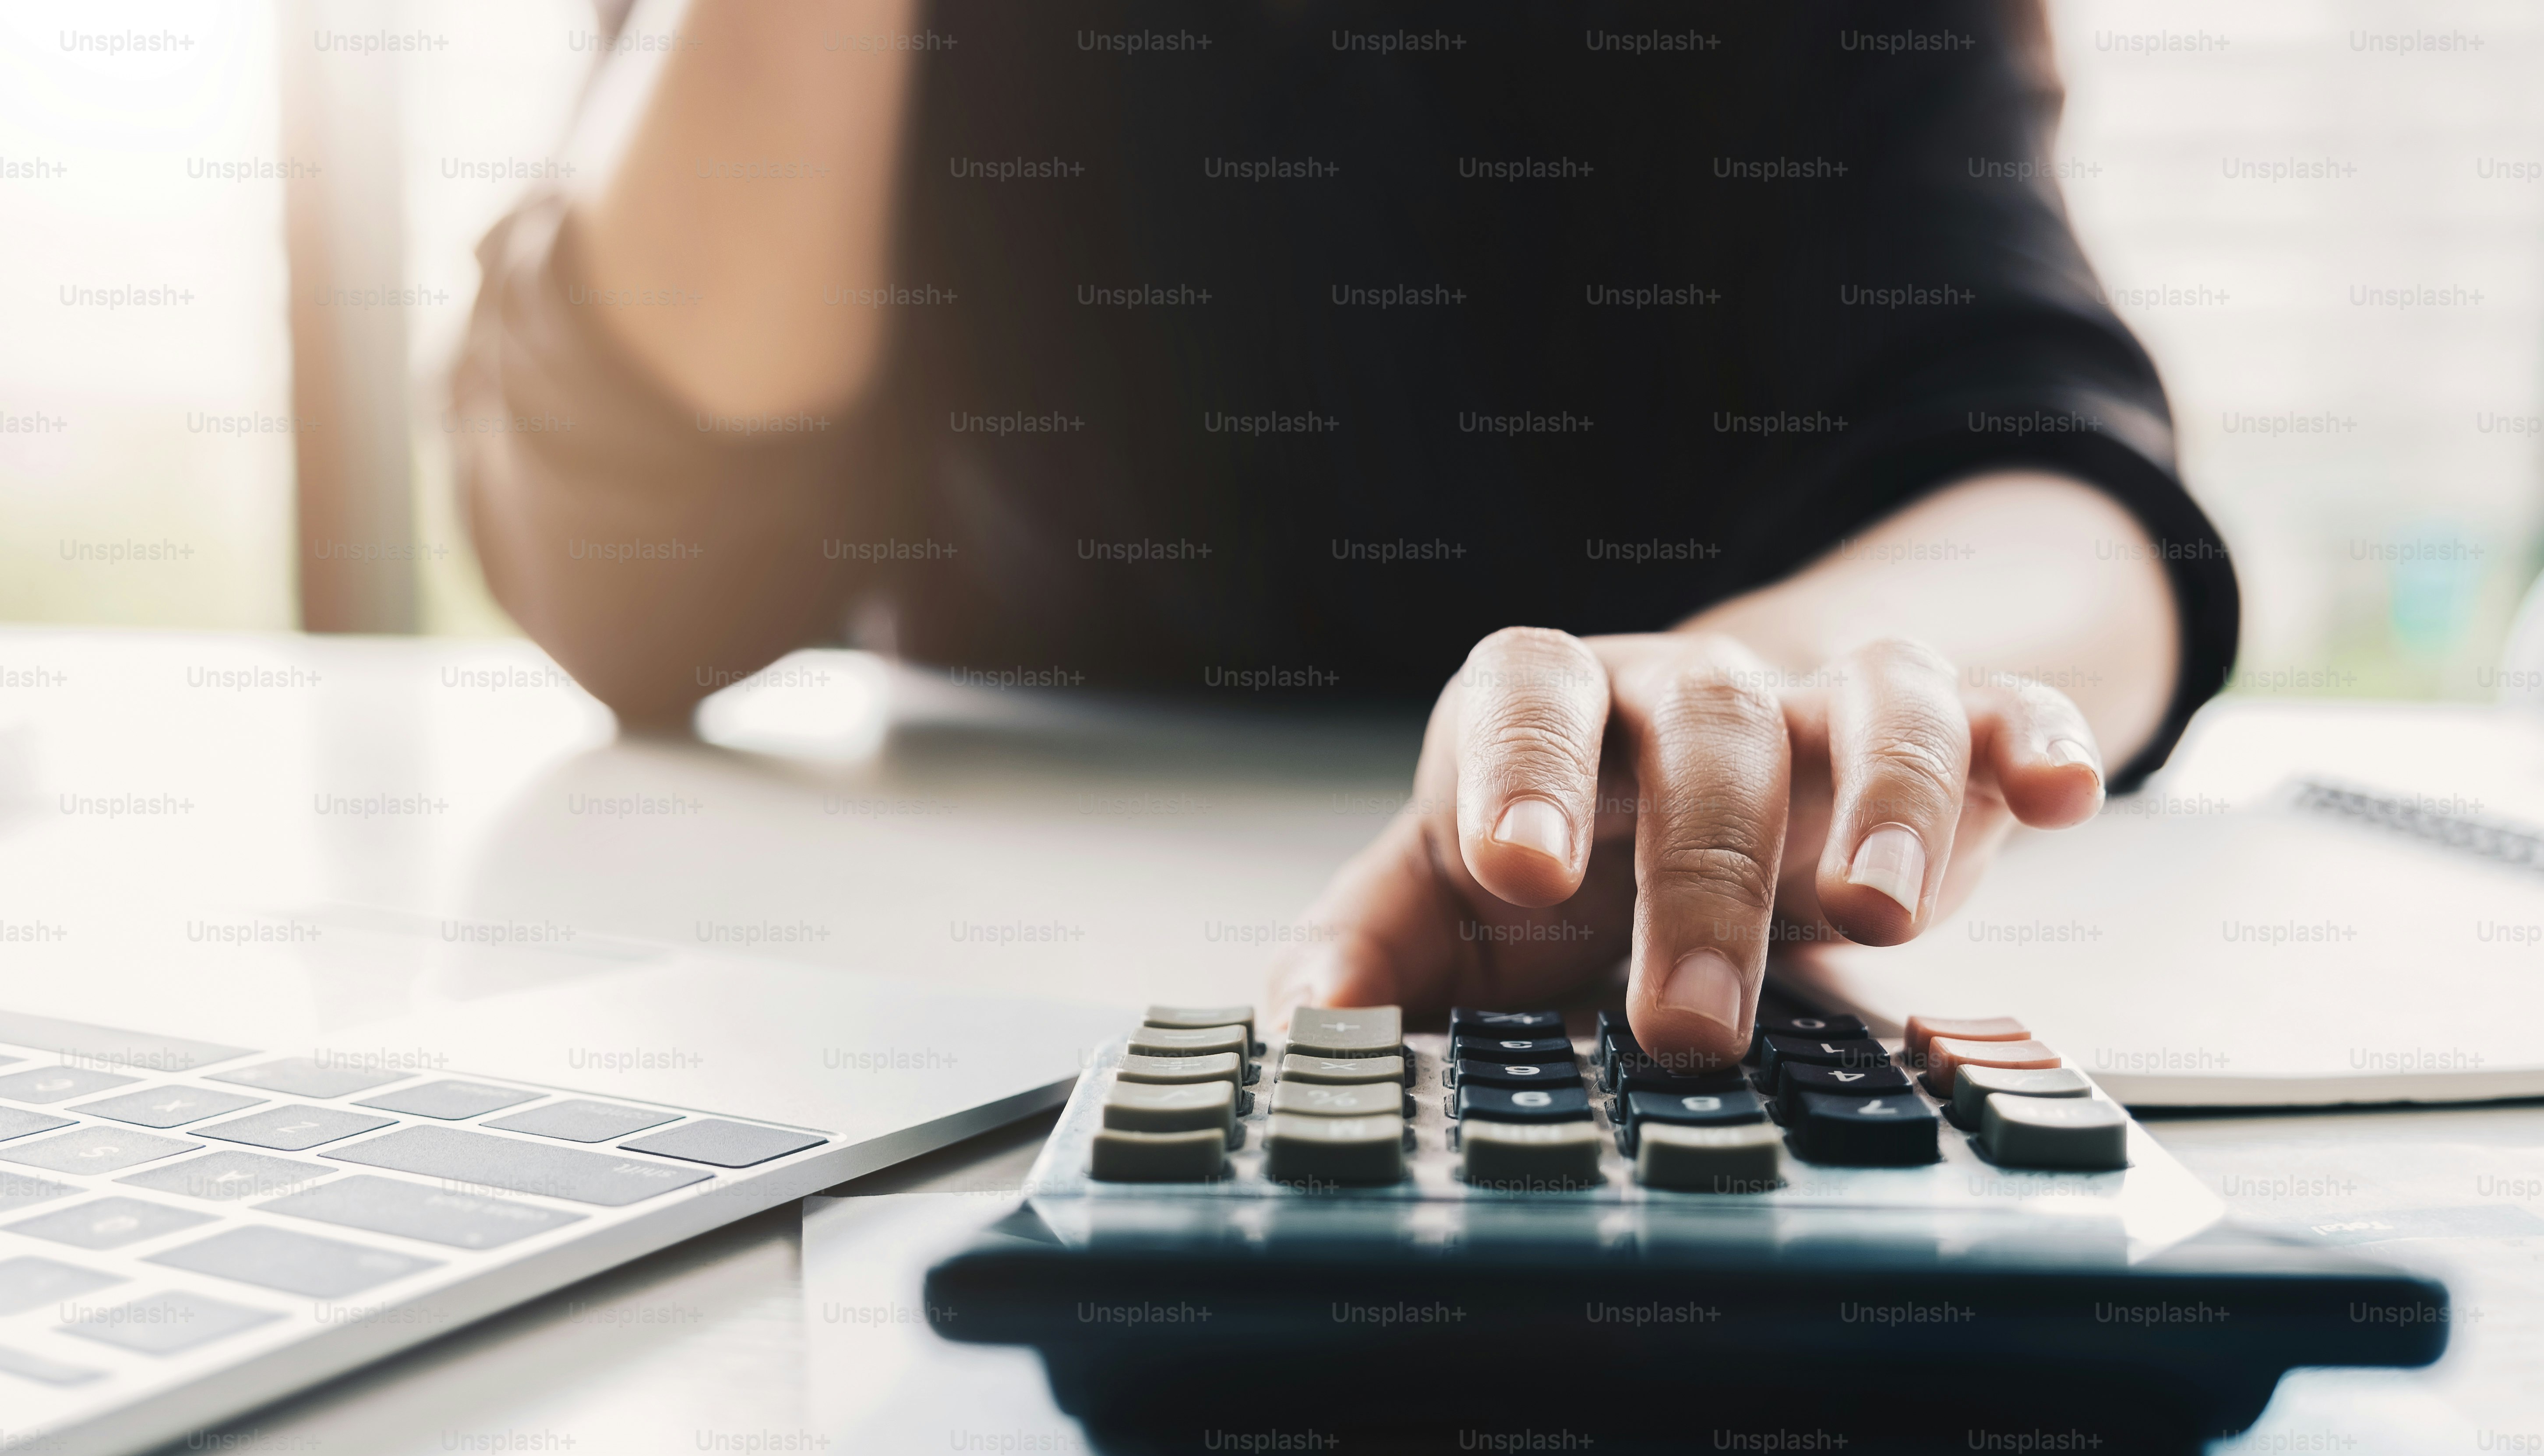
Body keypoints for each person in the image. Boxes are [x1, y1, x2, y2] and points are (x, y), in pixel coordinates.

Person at [453, 0, 2237, 1067]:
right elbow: (636, 575)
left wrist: (1761, 695)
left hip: (1645, 929)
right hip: (947, 975)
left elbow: (2061, 492)